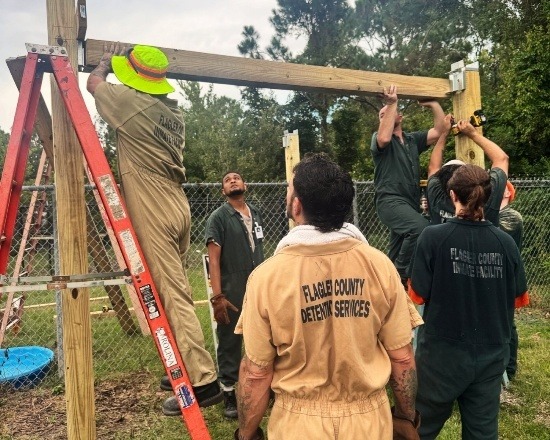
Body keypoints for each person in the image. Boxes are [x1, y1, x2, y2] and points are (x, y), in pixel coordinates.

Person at [235, 153, 422, 440]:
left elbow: (256, 373)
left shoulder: (266, 278)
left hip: (298, 427)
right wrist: (405, 417)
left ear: (297, 205)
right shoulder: (380, 266)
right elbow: (403, 360)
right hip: (369, 423)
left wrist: (246, 433)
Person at [87, 43, 222, 415]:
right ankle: (182, 364)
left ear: (133, 79)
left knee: (174, 295)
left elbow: (94, 83)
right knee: (168, 292)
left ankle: (204, 381)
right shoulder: (171, 110)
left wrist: (103, 62)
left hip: (154, 202)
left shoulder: (131, 104)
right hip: (176, 203)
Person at [409, 164, 529, 439]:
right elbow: (519, 299)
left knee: (418, 429)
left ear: (452, 195)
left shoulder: (433, 237)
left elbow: (417, 295)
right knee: (482, 433)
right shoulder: (505, 243)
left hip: (441, 355)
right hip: (490, 356)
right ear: (489, 196)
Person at [371, 85, 445, 286]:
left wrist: (434, 104)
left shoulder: (413, 140)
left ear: (399, 117)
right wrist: (391, 103)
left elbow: (439, 130)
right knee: (421, 228)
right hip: (390, 201)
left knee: (397, 250)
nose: (384, 116)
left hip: (409, 204)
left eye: (388, 113)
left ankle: (388, 287)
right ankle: (400, 275)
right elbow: (384, 137)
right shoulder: (380, 142)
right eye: (381, 115)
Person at [204, 171, 265, 418]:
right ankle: (228, 390)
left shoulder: (256, 213)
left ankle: (261, 385)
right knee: (230, 338)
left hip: (258, 285)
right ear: (223, 191)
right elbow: (214, 261)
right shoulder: (218, 218)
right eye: (227, 180)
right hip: (232, 288)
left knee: (261, 335)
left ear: (245, 185)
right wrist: (218, 297)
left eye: (236, 178)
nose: (232, 180)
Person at [427, 118, 509, 226]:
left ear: (452, 194)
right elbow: (501, 159)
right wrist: (473, 134)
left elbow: (433, 168)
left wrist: (444, 134)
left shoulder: (436, 195)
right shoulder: (487, 196)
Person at [499, 181, 524, 381]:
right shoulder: (489, 213)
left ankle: (510, 368)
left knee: (507, 322)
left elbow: (497, 232)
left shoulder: (512, 217)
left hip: (507, 277)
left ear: (508, 192)